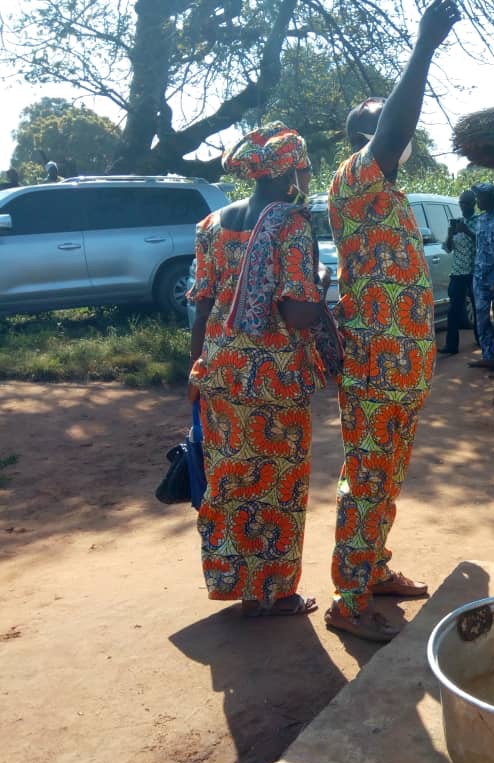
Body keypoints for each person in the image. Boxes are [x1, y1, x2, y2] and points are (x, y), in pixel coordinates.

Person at [325, 0, 459, 642]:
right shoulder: (354, 179)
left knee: (387, 476)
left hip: (403, 367)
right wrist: (425, 46)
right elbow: (396, 124)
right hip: (377, 366)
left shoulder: (391, 195)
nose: (403, 134)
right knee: (368, 476)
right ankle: (348, 601)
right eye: (386, 129)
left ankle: (372, 569)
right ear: (365, 139)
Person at [187, 122, 329, 618]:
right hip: (273, 379)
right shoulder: (290, 224)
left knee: (229, 479)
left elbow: (201, 308)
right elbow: (297, 315)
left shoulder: (211, 226)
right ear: (291, 169)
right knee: (279, 482)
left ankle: (233, 582)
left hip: (220, 372)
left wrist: (196, 371)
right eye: (304, 166)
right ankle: (276, 591)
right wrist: (321, 283)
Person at [469, 182, 494, 369]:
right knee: (481, 318)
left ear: (489, 198)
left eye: (479, 197)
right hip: (480, 277)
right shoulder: (480, 220)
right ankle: (488, 355)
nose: (477, 201)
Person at [440, 188, 478, 356]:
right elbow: (447, 249)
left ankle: (481, 340)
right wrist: (450, 235)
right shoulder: (457, 222)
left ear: (473, 204)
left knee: (478, 308)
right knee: (453, 310)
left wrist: (467, 232)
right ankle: (451, 345)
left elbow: (484, 243)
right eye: (461, 203)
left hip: (474, 272)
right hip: (457, 273)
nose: (463, 206)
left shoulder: (479, 222)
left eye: (466, 203)